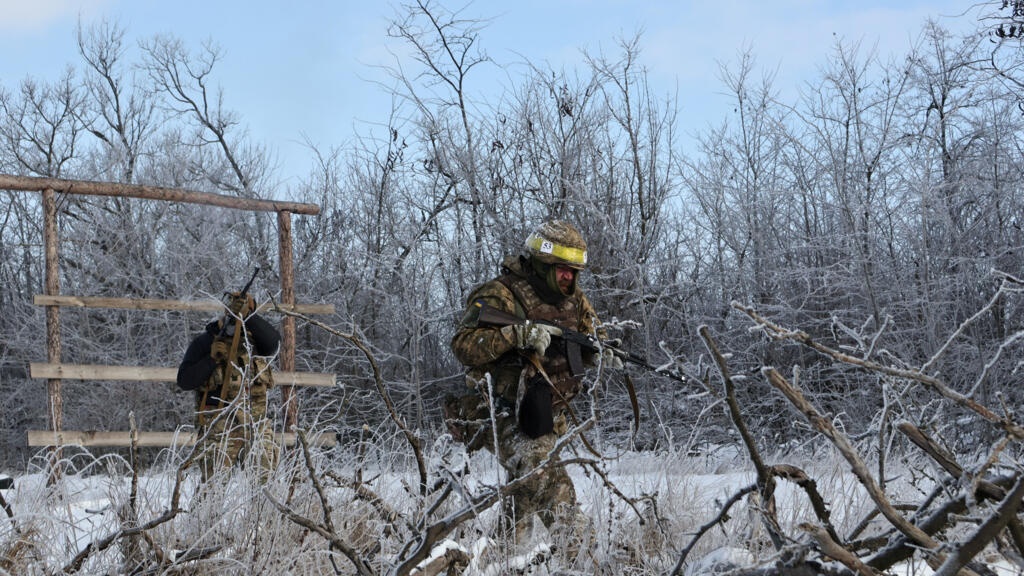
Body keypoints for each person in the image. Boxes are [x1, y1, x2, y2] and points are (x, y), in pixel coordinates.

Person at [449, 219, 622, 552]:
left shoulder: (574, 301)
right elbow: (462, 346)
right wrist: (513, 335)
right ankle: (581, 558)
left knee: (527, 487)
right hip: (496, 410)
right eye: (561, 270)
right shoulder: (499, 294)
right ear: (542, 264)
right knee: (541, 473)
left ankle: (497, 558)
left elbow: (591, 335)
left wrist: (600, 352)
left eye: (574, 272)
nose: (568, 278)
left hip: (545, 413)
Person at [177, 290, 280, 482]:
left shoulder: (255, 342)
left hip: (254, 421)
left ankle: (262, 513)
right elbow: (184, 380)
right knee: (213, 485)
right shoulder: (205, 342)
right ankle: (208, 513)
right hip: (218, 422)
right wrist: (210, 359)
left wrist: (249, 316)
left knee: (265, 479)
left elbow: (274, 343)